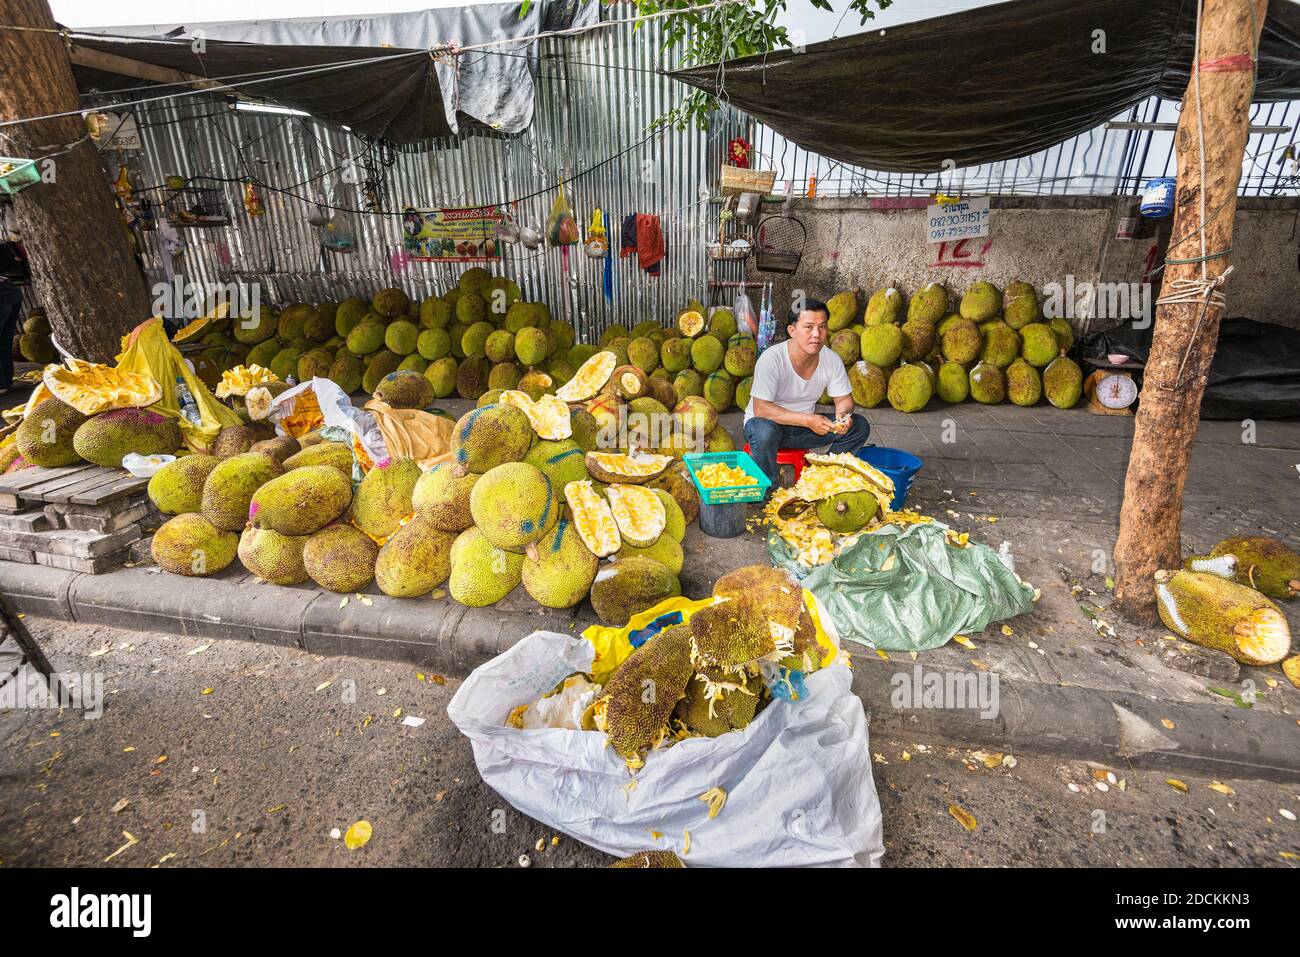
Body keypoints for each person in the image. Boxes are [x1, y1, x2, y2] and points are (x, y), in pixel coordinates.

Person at [742, 297, 870, 485]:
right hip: (767, 426)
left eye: (822, 327)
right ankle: (768, 489)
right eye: (808, 327)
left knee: (859, 425)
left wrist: (843, 417)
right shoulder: (772, 358)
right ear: (792, 331)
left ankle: (823, 477)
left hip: (805, 429)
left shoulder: (831, 359)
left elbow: (844, 400)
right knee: (764, 431)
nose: (816, 334)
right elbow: (761, 409)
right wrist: (808, 420)